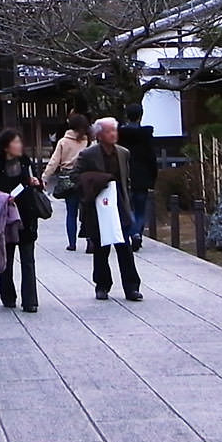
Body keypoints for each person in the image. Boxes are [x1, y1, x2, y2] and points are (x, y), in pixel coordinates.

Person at [75, 116, 142, 302]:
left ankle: (132, 287)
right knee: (101, 248)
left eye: (115, 130)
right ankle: (102, 285)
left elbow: (126, 180)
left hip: (119, 204)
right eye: (109, 131)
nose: (113, 134)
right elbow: (75, 177)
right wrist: (97, 180)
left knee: (125, 248)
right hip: (98, 206)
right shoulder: (88, 155)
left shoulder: (123, 153)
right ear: (99, 135)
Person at [0, 129, 42, 311]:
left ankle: (30, 301)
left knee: (28, 260)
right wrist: (2, 198)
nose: (20, 145)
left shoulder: (25, 164)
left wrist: (36, 184)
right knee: (5, 258)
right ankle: (8, 296)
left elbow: (32, 187)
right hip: (5, 218)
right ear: (7, 147)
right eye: (16, 142)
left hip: (26, 215)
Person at [39, 113, 90, 250]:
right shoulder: (88, 141)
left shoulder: (63, 141)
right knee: (87, 212)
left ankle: (72, 243)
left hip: (68, 178)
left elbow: (54, 162)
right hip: (85, 178)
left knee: (71, 212)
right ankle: (90, 241)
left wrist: (45, 177)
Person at [116, 103, 159, 247]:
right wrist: (153, 177)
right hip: (142, 177)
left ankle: (130, 233)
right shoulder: (146, 137)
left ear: (126, 116)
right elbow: (151, 159)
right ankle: (136, 233)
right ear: (141, 116)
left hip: (123, 176)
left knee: (126, 209)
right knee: (140, 209)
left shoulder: (119, 136)